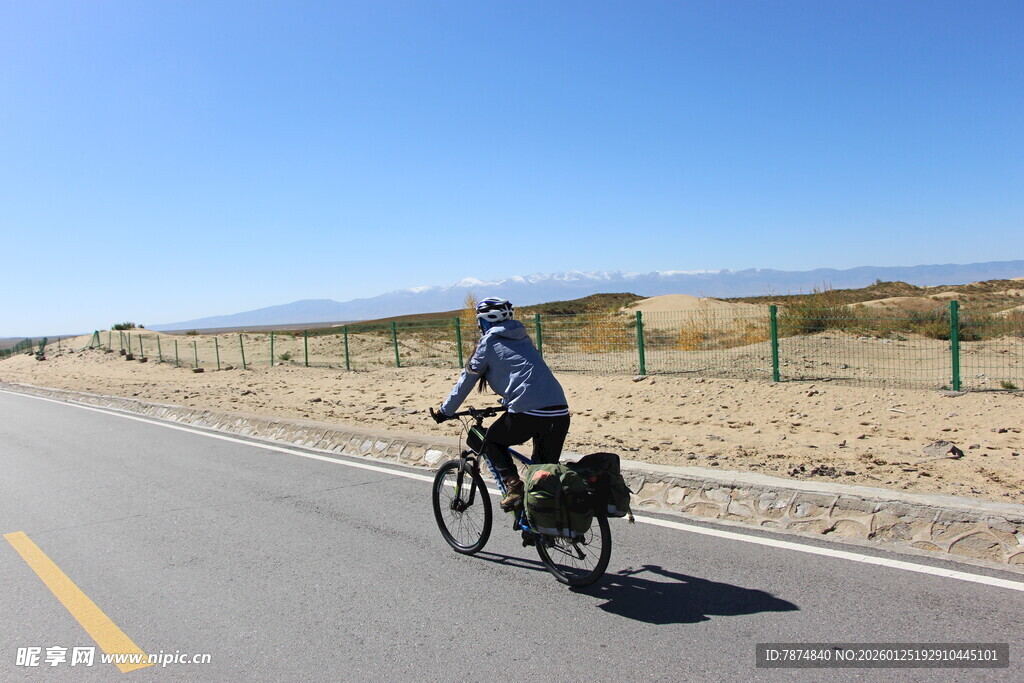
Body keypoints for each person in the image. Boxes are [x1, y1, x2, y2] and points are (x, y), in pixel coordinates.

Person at [432, 297, 570, 511]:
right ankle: (544, 531)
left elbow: (467, 380)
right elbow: (524, 376)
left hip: (529, 412)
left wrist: (444, 411)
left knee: (492, 442)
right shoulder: (523, 338)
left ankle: (513, 486)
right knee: (544, 474)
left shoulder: (488, 342)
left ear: (483, 322)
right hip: (560, 411)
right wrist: (508, 401)